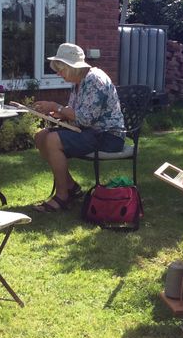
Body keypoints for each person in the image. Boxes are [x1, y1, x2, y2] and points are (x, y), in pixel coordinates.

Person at [31, 43, 126, 212]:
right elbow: (77, 115)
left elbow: (86, 119)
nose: (58, 74)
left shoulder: (94, 80)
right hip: (90, 131)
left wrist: (56, 107)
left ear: (72, 67)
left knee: (52, 140)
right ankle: (71, 187)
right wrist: (61, 115)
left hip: (108, 136)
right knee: (40, 136)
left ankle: (62, 196)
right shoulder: (79, 81)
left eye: (61, 69)